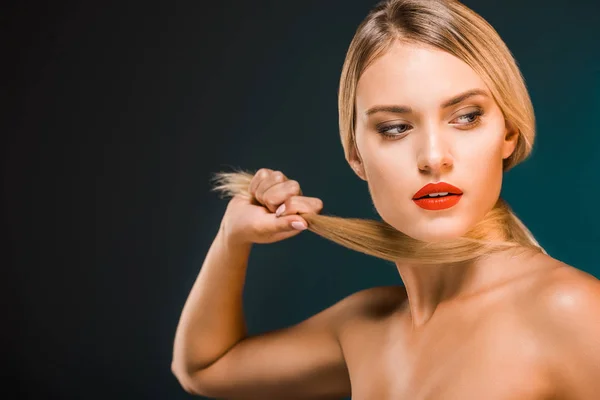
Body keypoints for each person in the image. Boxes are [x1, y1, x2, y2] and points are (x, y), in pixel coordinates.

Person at [171, 0, 600, 398]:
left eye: (466, 117)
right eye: (395, 128)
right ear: (356, 155)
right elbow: (204, 368)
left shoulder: (571, 312)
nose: (433, 158)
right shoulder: (365, 326)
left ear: (507, 133)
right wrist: (232, 239)